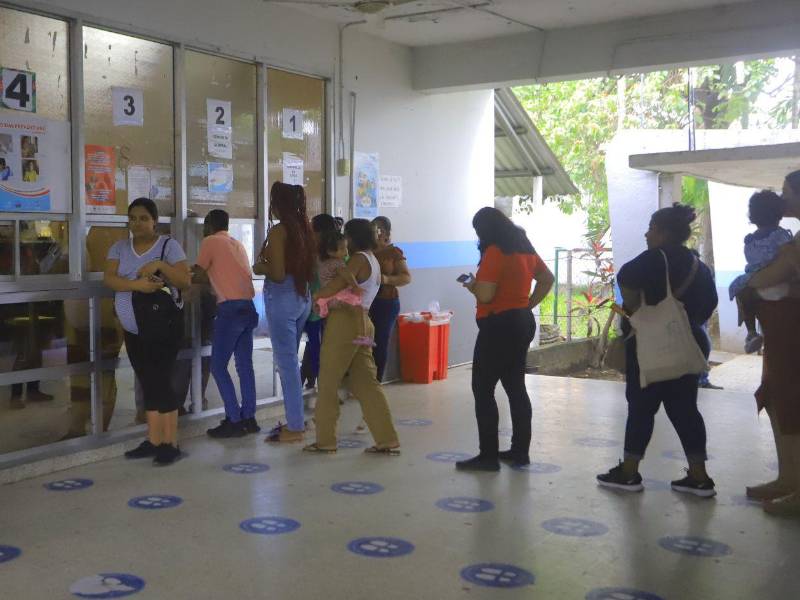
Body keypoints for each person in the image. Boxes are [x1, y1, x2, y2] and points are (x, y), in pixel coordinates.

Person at [597, 204, 718, 497]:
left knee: (641, 409)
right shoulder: (697, 264)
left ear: (664, 233)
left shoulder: (655, 258)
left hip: (650, 345)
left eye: (651, 228)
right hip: (686, 344)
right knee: (686, 410)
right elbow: (710, 302)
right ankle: (699, 476)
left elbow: (625, 276)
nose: (647, 234)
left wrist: (636, 309)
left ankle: (629, 472)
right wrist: (684, 322)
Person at [455, 207, 554, 471]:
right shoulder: (525, 249)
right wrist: (527, 304)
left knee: (483, 389)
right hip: (521, 323)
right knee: (516, 388)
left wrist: (472, 285)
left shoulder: (495, 252)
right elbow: (547, 279)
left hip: (498, 326)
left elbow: (486, 295)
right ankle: (520, 452)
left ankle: (488, 456)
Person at [104, 197, 191, 466]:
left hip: (162, 329)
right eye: (132, 218)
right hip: (133, 330)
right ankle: (153, 440)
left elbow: (185, 280)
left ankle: (170, 443)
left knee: (161, 381)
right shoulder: (119, 247)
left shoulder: (168, 246)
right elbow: (110, 279)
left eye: (143, 218)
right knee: (147, 380)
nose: (137, 223)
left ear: (155, 221)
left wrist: (161, 266)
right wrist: (138, 286)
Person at [303, 219, 400, 455]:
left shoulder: (357, 259)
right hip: (364, 323)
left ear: (353, 238)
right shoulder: (373, 260)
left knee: (328, 381)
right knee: (367, 383)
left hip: (344, 324)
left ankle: (325, 440)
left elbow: (335, 286)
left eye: (346, 236)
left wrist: (318, 295)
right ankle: (387, 439)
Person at [744, 170, 800, 516]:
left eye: (787, 191)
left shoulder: (790, 243)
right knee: (778, 398)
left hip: (792, 332)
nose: (782, 198)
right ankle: (789, 478)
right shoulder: (789, 239)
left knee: (791, 400)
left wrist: (754, 281)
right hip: (781, 332)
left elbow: (771, 276)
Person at [254, 182, 315, 443]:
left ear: (278, 204)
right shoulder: (304, 229)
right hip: (302, 297)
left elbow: (277, 274)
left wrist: (260, 268)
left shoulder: (280, 231)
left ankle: (295, 427)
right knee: (291, 363)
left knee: (287, 365)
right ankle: (297, 419)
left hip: (283, 299)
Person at [193, 209, 259, 438]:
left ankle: (234, 419)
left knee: (218, 366)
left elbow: (197, 274)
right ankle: (249, 418)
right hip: (248, 307)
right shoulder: (237, 244)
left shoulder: (210, 241)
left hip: (229, 310)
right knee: (244, 365)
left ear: (209, 224)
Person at [728, 190, 794, 354]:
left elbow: (751, 261)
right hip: (779, 279)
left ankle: (751, 332)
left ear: (753, 216)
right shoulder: (782, 235)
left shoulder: (750, 239)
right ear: (779, 214)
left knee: (741, 293)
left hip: (754, 278)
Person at [370, 216, 411, 382]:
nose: (376, 233)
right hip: (366, 303)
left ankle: (376, 380)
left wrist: (386, 279)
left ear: (386, 233)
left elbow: (406, 277)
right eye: (373, 229)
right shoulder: (364, 252)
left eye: (379, 230)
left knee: (380, 342)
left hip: (386, 302)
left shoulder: (394, 252)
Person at [301, 213, 338, 390]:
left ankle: (324, 388)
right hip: (316, 309)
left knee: (320, 350)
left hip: (322, 310)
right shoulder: (312, 251)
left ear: (320, 232)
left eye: (312, 229)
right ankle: (311, 381)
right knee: (315, 348)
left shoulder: (331, 254)